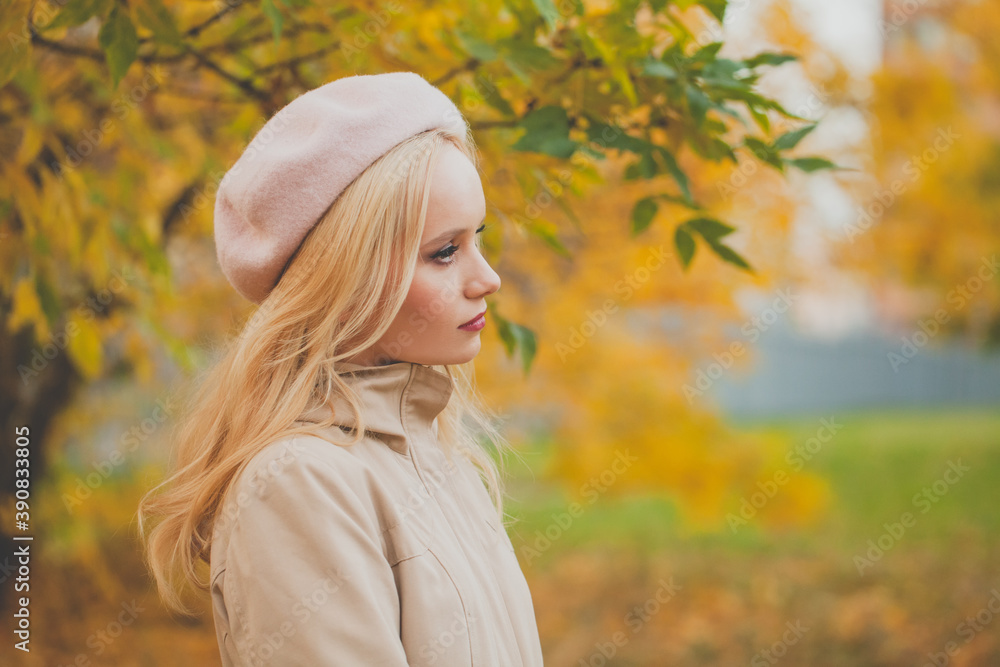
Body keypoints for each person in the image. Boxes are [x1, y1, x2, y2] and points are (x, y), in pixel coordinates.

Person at [137, 71, 545, 666]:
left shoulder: (438, 460)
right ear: (346, 278)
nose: (488, 279)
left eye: (477, 239)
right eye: (445, 252)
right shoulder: (298, 484)